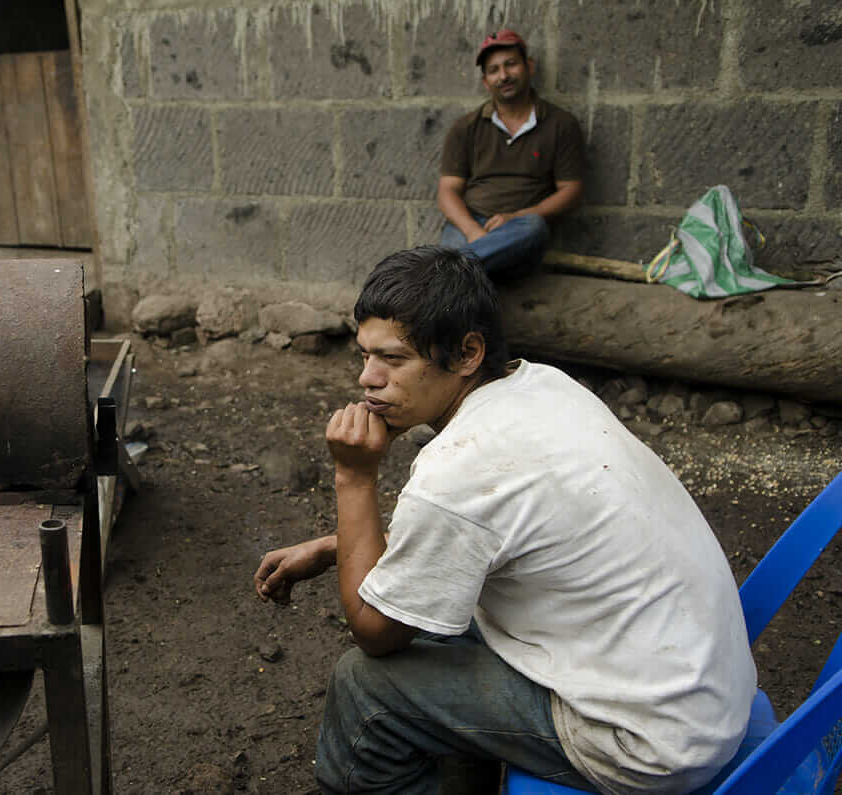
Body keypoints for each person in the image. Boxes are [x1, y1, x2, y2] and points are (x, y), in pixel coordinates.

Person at [253, 246, 756, 794]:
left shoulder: (460, 467)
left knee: (364, 688)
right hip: (700, 688)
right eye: (365, 356)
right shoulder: (539, 385)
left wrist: (354, 478)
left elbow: (376, 633)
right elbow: (475, 537)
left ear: (468, 353)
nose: (367, 380)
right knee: (447, 615)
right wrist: (335, 546)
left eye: (393, 360)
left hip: (644, 741)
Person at [437, 30, 585, 274]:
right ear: (485, 81)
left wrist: (517, 215)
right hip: (468, 224)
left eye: (511, 65)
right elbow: (447, 191)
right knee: (463, 277)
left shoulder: (561, 124)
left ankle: (446, 272)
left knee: (533, 227)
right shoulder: (465, 127)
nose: (503, 76)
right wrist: (473, 231)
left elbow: (571, 191)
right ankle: (461, 271)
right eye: (494, 70)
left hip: (520, 229)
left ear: (529, 66)